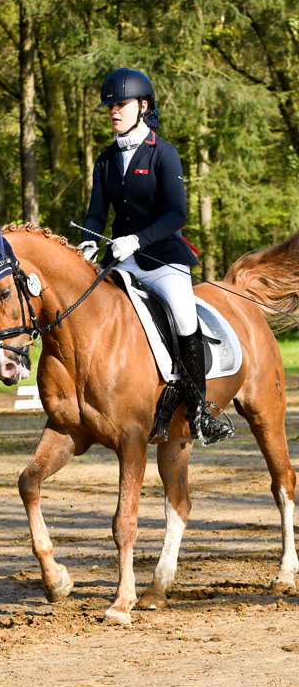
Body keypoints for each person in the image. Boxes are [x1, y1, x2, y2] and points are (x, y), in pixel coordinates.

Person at [78, 67, 232, 444]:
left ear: (143, 106)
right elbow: (97, 212)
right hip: (121, 257)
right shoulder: (105, 159)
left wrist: (138, 239)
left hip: (162, 258)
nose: (114, 111)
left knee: (182, 312)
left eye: (121, 104)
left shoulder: (164, 153)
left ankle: (199, 410)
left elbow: (177, 213)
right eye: (110, 106)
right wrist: (86, 241)